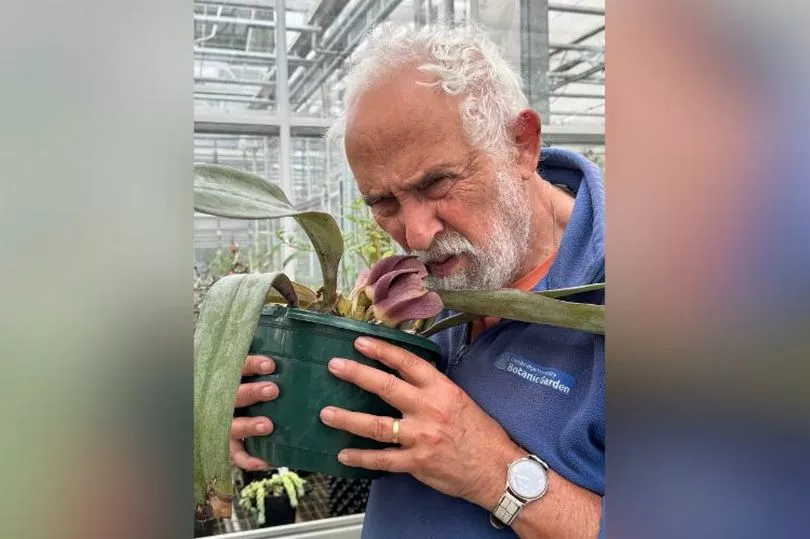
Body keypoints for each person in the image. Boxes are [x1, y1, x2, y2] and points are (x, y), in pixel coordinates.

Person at [230, 24, 604, 537]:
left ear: (520, 145)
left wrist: (494, 472)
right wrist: (271, 413)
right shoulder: (423, 287)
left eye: (438, 183)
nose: (416, 234)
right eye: (382, 203)